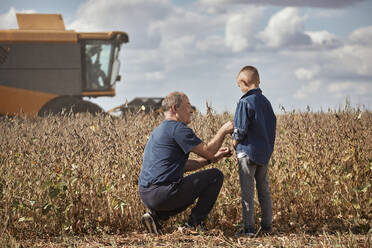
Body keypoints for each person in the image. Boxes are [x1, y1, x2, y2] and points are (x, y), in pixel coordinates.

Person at [138, 91, 234, 234]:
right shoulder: (178, 129)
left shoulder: (159, 131)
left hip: (147, 194)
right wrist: (223, 130)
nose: (191, 110)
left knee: (184, 185)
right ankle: (194, 225)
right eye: (187, 105)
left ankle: (155, 216)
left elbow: (183, 166)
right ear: (174, 109)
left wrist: (212, 159)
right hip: (163, 193)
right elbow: (208, 150)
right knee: (215, 176)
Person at [232, 66, 276, 237]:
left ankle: (249, 229)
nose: (240, 89)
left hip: (247, 153)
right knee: (264, 190)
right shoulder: (266, 103)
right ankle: (266, 226)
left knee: (247, 192)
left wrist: (234, 143)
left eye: (239, 86)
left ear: (244, 83)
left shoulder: (244, 102)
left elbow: (240, 130)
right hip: (263, 154)